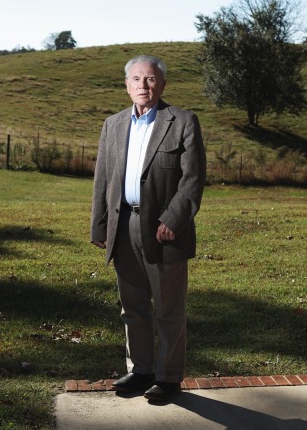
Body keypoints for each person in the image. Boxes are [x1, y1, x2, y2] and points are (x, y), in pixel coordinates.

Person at [90, 54, 207, 402]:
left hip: (162, 228)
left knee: (168, 308)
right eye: (137, 79)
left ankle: (168, 378)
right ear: (127, 84)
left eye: (151, 79)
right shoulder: (112, 125)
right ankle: (140, 371)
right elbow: (103, 179)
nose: (144, 85)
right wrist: (100, 225)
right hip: (122, 224)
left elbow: (193, 178)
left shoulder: (183, 121)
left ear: (163, 84)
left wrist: (173, 219)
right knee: (133, 305)